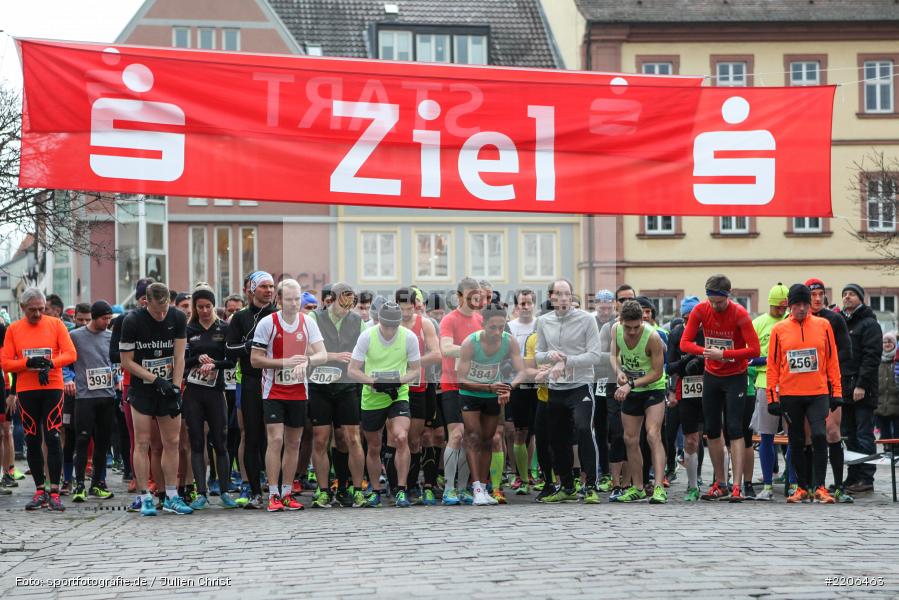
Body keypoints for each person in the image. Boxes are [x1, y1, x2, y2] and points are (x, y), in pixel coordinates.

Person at [679, 274, 760, 502]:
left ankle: (736, 486)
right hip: (712, 375)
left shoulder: (739, 313)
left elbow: (754, 350)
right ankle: (721, 483)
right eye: (712, 302)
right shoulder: (700, 310)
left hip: (735, 376)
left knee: (734, 428)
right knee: (712, 430)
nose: (715, 306)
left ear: (728, 296)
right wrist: (706, 352)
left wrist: (724, 354)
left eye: (720, 302)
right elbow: (685, 343)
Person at [252, 279, 326, 512]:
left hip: (298, 390)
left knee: (293, 442)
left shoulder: (307, 322)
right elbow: (255, 359)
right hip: (273, 390)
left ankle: (286, 492)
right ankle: (273, 493)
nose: (294, 304)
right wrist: (284, 363)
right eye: (289, 300)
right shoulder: (268, 323)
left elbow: (322, 354)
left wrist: (308, 360)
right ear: (279, 300)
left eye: (297, 299)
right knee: (275, 440)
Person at [1, 288, 77, 511]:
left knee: (53, 436)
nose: (37, 314)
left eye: (41, 309)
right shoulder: (14, 329)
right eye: (32, 310)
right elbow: (5, 362)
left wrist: (49, 363)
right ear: (22, 308)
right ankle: (39, 491)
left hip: (52, 386)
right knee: (32, 438)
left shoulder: (55, 324)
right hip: (27, 389)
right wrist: (28, 363)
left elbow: (71, 354)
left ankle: (54, 490)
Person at [766, 284, 841, 504]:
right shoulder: (779, 330)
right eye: (796, 304)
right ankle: (801, 487)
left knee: (819, 435)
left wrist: (836, 391)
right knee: (796, 440)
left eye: (804, 304)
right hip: (790, 394)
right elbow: (773, 365)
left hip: (818, 392)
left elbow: (832, 361)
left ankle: (820, 486)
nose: (801, 309)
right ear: (790, 306)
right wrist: (772, 397)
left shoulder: (823, 325)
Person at [120, 282, 189, 516]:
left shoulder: (177, 317)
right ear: (145, 302)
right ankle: (144, 495)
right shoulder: (132, 321)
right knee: (143, 442)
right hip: (142, 388)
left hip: (168, 387)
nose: (161, 315)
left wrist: (176, 387)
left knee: (172, 441)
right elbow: (126, 361)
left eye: (165, 309)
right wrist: (154, 379)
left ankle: (171, 495)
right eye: (156, 310)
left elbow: (179, 356)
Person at [348, 302, 421, 508]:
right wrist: (373, 382)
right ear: (379, 320)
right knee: (374, 446)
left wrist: (398, 382)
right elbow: (352, 370)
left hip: (398, 394)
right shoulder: (367, 336)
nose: (389, 331)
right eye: (386, 326)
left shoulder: (408, 337)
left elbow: (416, 370)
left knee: (401, 437)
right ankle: (376, 491)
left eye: (394, 326)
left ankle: (401, 490)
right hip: (372, 397)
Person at [535, 279, 602, 504]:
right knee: (557, 438)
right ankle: (566, 486)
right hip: (555, 388)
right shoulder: (543, 321)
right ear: (551, 297)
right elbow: (538, 353)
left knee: (584, 429)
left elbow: (594, 355)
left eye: (567, 294)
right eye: (559, 294)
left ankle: (591, 485)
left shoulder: (586, 320)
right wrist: (549, 358)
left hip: (580, 386)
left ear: (572, 297)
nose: (564, 298)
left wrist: (567, 361)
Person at [306, 282, 368, 509]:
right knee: (321, 439)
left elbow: (363, 352)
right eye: (344, 297)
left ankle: (351, 487)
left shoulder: (357, 322)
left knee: (349, 438)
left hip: (347, 385)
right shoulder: (314, 318)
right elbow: (308, 349)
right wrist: (333, 355)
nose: (348, 302)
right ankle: (323, 491)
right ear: (332, 299)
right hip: (319, 385)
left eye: (351, 298)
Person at [458, 303, 525, 505]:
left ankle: (485, 486)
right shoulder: (470, 343)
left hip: (493, 394)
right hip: (470, 392)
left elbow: (521, 371)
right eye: (492, 327)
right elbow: (460, 379)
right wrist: (488, 387)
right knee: (473, 437)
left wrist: (507, 388)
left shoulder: (509, 341)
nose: (497, 332)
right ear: (483, 324)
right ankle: (476, 486)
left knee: (488, 440)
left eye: (501, 327)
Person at [183, 286, 238, 510]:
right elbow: (182, 361)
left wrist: (214, 363)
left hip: (216, 392)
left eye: (208, 306)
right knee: (197, 443)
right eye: (200, 307)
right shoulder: (188, 329)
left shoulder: (224, 328)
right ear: (195, 308)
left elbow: (232, 361)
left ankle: (225, 491)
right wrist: (197, 359)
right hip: (193, 393)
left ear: (214, 306)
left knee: (220, 442)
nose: (205, 311)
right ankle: (201, 493)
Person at [226, 271, 276, 509]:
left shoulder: (278, 315)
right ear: (251, 290)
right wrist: (250, 346)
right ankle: (254, 490)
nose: (269, 290)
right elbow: (229, 348)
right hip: (251, 380)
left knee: (276, 437)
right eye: (264, 286)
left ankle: (277, 488)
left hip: (276, 380)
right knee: (252, 435)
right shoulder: (240, 318)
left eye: (271, 286)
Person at [609, 300, 668, 503]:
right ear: (621, 321)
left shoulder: (653, 337)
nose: (632, 331)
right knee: (630, 438)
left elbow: (657, 372)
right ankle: (638, 487)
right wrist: (619, 373)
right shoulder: (616, 330)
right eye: (628, 327)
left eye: (637, 327)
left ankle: (659, 487)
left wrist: (630, 384)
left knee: (653, 435)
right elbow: (613, 355)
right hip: (631, 387)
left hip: (653, 388)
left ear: (643, 320)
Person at [806, 278, 855, 502]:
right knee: (808, 435)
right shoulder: (799, 319)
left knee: (832, 431)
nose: (817, 299)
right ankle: (811, 484)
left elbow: (845, 353)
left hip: (831, 383)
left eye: (820, 295)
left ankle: (838, 485)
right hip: (805, 386)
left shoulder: (834, 319)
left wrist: (839, 385)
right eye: (812, 295)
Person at [394, 287, 441, 505]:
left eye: (408, 308)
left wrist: (414, 363)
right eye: (401, 308)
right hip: (396, 388)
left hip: (420, 386)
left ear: (415, 305)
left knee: (417, 438)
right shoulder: (389, 322)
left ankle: (420, 485)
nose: (405, 313)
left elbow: (436, 354)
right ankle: (400, 486)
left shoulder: (425, 324)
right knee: (396, 438)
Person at [438, 278, 483, 505]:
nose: (474, 300)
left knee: (468, 437)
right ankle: (448, 489)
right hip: (451, 384)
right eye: (469, 296)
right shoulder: (449, 319)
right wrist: (470, 350)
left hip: (473, 385)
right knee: (455, 435)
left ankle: (464, 488)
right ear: (459, 297)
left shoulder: (480, 318)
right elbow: (445, 348)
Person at [69, 301, 117, 503]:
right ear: (95, 317)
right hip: (85, 397)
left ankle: (97, 483)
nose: (107, 322)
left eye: (109, 319)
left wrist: (118, 377)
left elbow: (117, 360)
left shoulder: (111, 336)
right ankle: (79, 485)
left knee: (103, 442)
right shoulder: (75, 336)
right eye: (104, 319)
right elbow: (65, 359)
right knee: (82, 439)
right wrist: (67, 378)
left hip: (107, 396)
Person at [840, 284, 882, 493]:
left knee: (864, 434)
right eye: (845, 294)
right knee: (849, 435)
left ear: (861, 299)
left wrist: (861, 385)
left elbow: (871, 357)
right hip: (845, 389)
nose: (847, 297)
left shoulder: (869, 324)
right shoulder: (843, 323)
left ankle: (866, 478)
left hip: (862, 389)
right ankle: (853, 476)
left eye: (852, 294)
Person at [748, 284, 788, 501]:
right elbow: (749, 356)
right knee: (766, 436)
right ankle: (768, 484)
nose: (781, 312)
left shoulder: (792, 321)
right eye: (777, 308)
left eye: (784, 308)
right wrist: (766, 360)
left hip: (791, 382)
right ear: (770, 304)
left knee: (795, 437)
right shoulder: (759, 323)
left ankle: (792, 482)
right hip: (765, 381)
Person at [666, 295, 704, 501]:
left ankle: (720, 481)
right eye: (687, 318)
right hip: (686, 389)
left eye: (694, 318)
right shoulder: (677, 334)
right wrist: (687, 360)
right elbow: (669, 366)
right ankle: (692, 485)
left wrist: (700, 358)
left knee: (714, 436)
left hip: (709, 389)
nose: (691, 323)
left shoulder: (708, 332)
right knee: (691, 438)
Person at [508, 289, 538, 494]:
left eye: (529, 303)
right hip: (518, 385)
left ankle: (533, 472)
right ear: (516, 306)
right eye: (522, 303)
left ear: (534, 305)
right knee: (519, 432)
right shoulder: (510, 327)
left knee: (537, 433)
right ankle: (521, 477)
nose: (525, 307)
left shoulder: (541, 325)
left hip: (538, 385)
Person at [876, 331, 899, 440]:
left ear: (895, 344)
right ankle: (886, 451)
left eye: (890, 342)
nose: (887, 344)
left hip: (896, 405)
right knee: (884, 436)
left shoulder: (897, 361)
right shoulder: (877, 361)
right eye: (885, 342)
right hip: (881, 405)